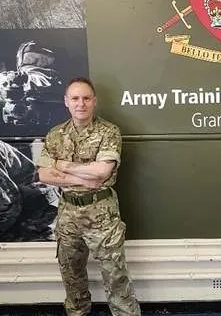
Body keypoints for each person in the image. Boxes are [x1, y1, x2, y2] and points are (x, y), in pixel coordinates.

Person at [37, 77, 141, 316]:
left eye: (86, 98)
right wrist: (85, 178)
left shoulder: (109, 131)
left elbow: (102, 172)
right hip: (68, 215)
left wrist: (61, 165)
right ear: (66, 102)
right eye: (75, 98)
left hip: (102, 214)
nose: (80, 103)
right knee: (71, 276)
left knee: (116, 277)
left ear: (95, 101)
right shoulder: (55, 135)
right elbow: (44, 174)